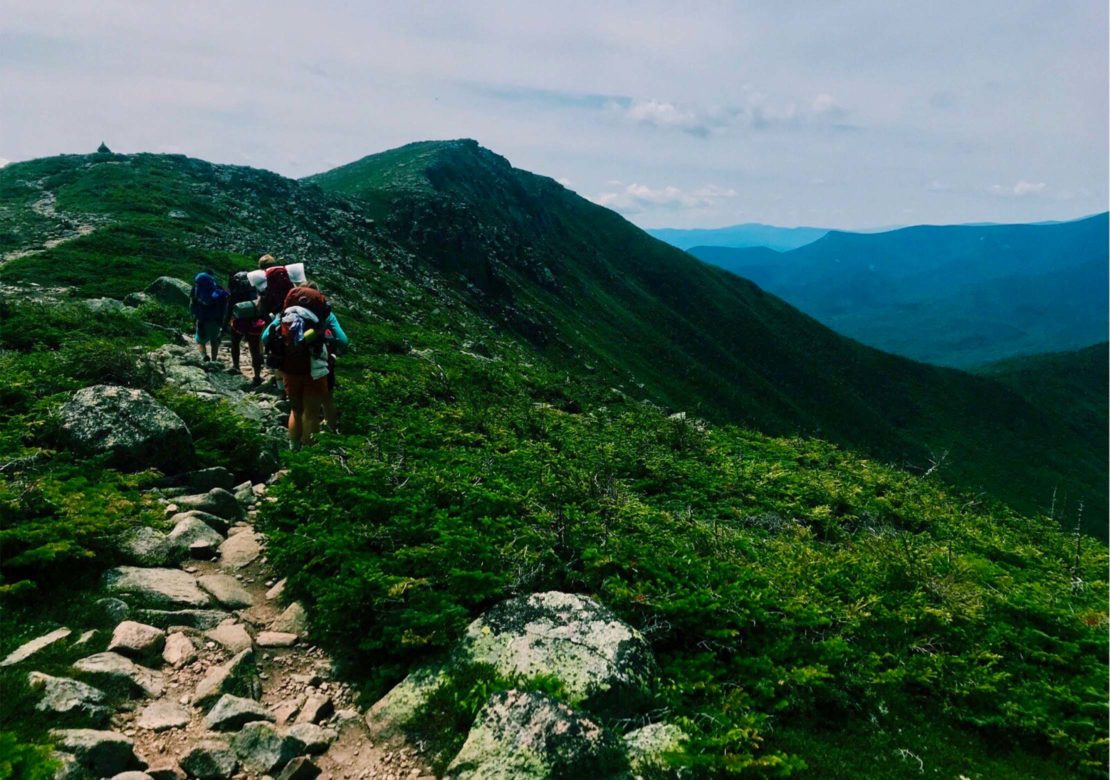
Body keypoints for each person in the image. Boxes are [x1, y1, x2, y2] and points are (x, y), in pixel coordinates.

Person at [262, 285, 333, 448]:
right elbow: (339, 340)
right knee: (311, 414)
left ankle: (294, 449)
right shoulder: (318, 321)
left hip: (290, 370)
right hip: (314, 372)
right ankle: (309, 453)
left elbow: (265, 338)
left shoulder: (283, 318)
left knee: (296, 410)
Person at [227, 270, 266, 385]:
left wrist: (225, 323)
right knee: (254, 349)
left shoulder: (234, 290)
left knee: (235, 342)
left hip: (238, 322)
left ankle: (236, 366)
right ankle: (257, 376)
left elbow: (229, 307)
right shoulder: (256, 288)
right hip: (254, 323)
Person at [190, 270, 229, 361]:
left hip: (201, 319)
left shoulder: (196, 289)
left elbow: (192, 304)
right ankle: (214, 360)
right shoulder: (218, 289)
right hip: (215, 319)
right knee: (214, 341)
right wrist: (223, 320)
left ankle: (204, 356)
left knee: (200, 341)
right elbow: (224, 305)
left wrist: (193, 316)